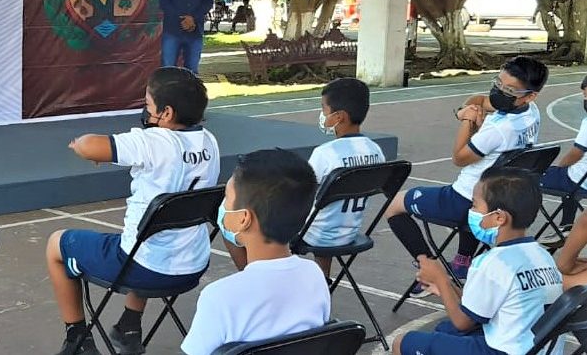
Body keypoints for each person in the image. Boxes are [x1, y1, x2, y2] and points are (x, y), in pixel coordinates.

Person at [46, 67, 220, 355]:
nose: (145, 111)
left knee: (56, 244)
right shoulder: (209, 141)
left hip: (144, 269)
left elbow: (90, 145)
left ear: (166, 113)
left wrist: (81, 147)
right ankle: (129, 326)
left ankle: (78, 338)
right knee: (151, 235)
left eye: (148, 105)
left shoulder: (153, 141)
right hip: (192, 267)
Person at [385, 56, 546, 297]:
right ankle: (462, 262)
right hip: (495, 199)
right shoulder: (530, 113)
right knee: (476, 199)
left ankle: (429, 268)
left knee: (394, 205)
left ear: (529, 95)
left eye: (509, 89)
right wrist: (467, 108)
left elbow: (459, 157)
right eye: (498, 83)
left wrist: (467, 121)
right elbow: (482, 100)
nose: (499, 91)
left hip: (463, 199)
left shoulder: (498, 129)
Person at [223, 78, 385, 278]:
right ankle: (322, 278)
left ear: (339, 117)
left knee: (231, 222)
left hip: (315, 234)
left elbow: (300, 192)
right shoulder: (375, 150)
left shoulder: (325, 153)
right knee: (327, 211)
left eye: (324, 110)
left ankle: (254, 277)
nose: (322, 115)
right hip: (349, 231)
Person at [393, 167, 562, 355]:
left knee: (403, 343)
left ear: (499, 217)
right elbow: (477, 306)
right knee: (444, 330)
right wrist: (446, 286)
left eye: (474, 205)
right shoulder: (542, 255)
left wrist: (440, 277)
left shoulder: (491, 262)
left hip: (503, 351)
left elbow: (463, 323)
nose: (471, 211)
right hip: (536, 348)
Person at [182, 149, 328, 354]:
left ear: (243, 218)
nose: (223, 205)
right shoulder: (315, 275)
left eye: (227, 197)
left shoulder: (219, 297)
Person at [538, 74, 587, 244]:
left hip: (580, 180)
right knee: (571, 179)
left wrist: (560, 167)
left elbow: (576, 153)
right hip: (581, 179)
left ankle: (514, 228)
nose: (585, 99)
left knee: (529, 178)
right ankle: (566, 226)